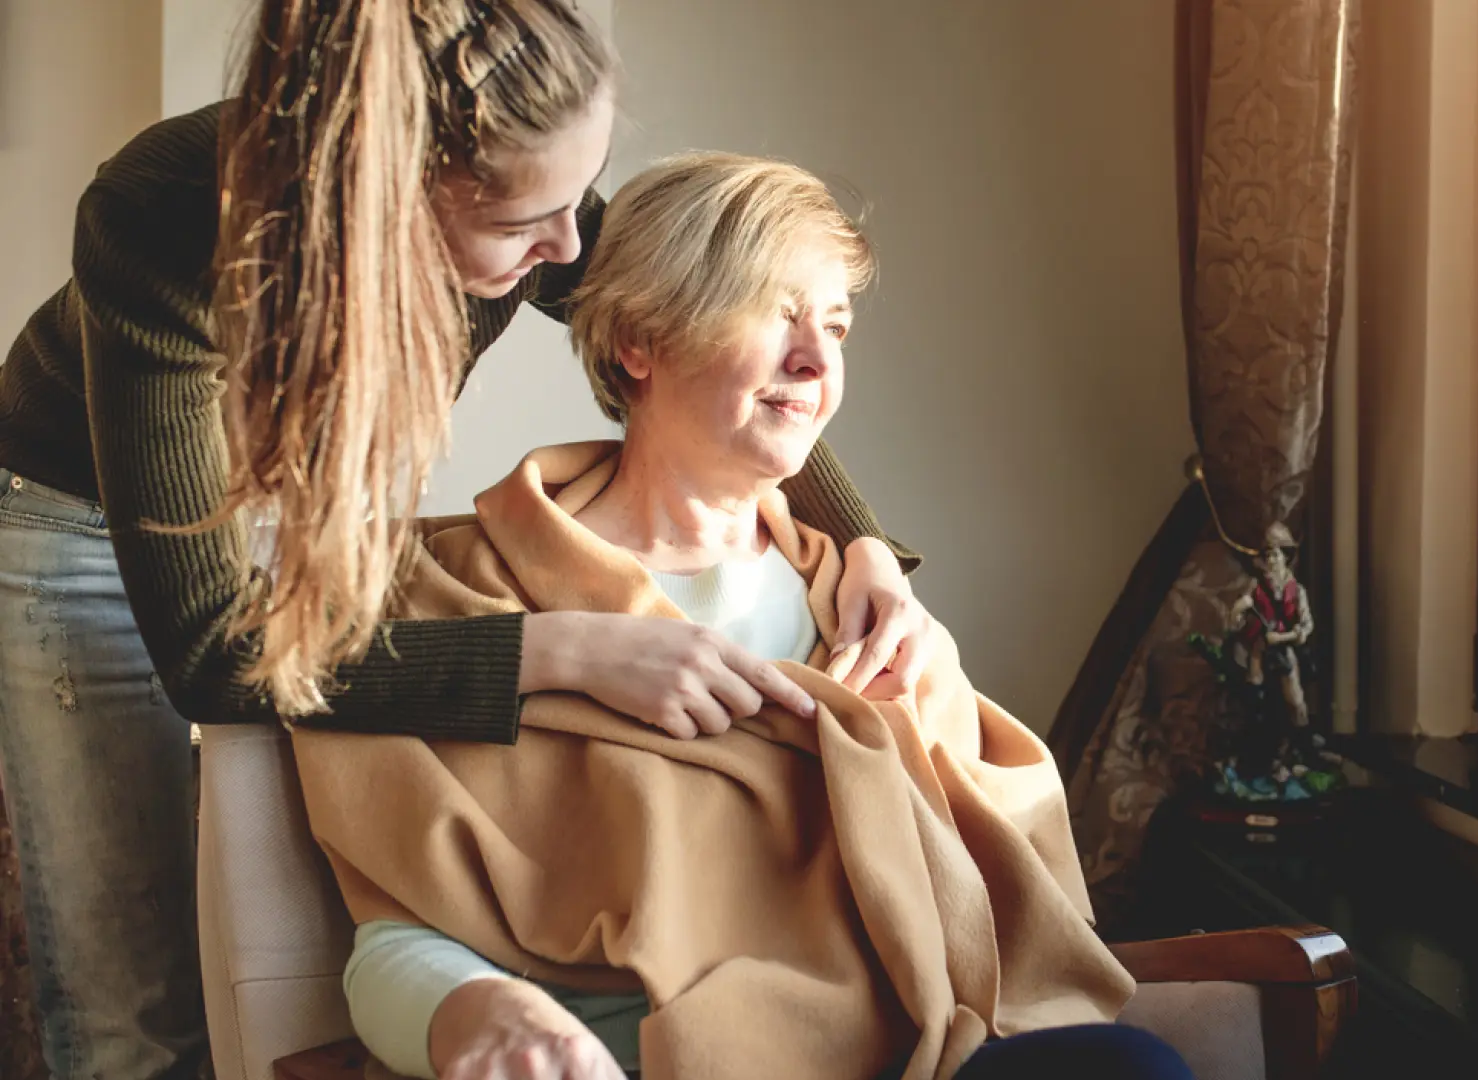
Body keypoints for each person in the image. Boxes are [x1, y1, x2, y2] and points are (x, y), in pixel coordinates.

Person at [0, 5, 928, 1079]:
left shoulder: (524, 194)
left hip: (292, 508)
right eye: (530, 224)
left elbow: (685, 318)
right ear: (391, 189)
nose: (568, 251)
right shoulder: (162, 218)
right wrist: (567, 647)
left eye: (574, 201)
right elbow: (216, 657)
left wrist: (855, 539)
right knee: (139, 1001)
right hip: (74, 523)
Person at [296, 152, 1192, 1080]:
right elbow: (395, 934)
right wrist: (477, 1008)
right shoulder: (470, 595)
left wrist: (924, 689)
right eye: (774, 311)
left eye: (835, 326)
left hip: (909, 1050)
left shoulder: (862, 607)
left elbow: (989, 903)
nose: (816, 361)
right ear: (638, 342)